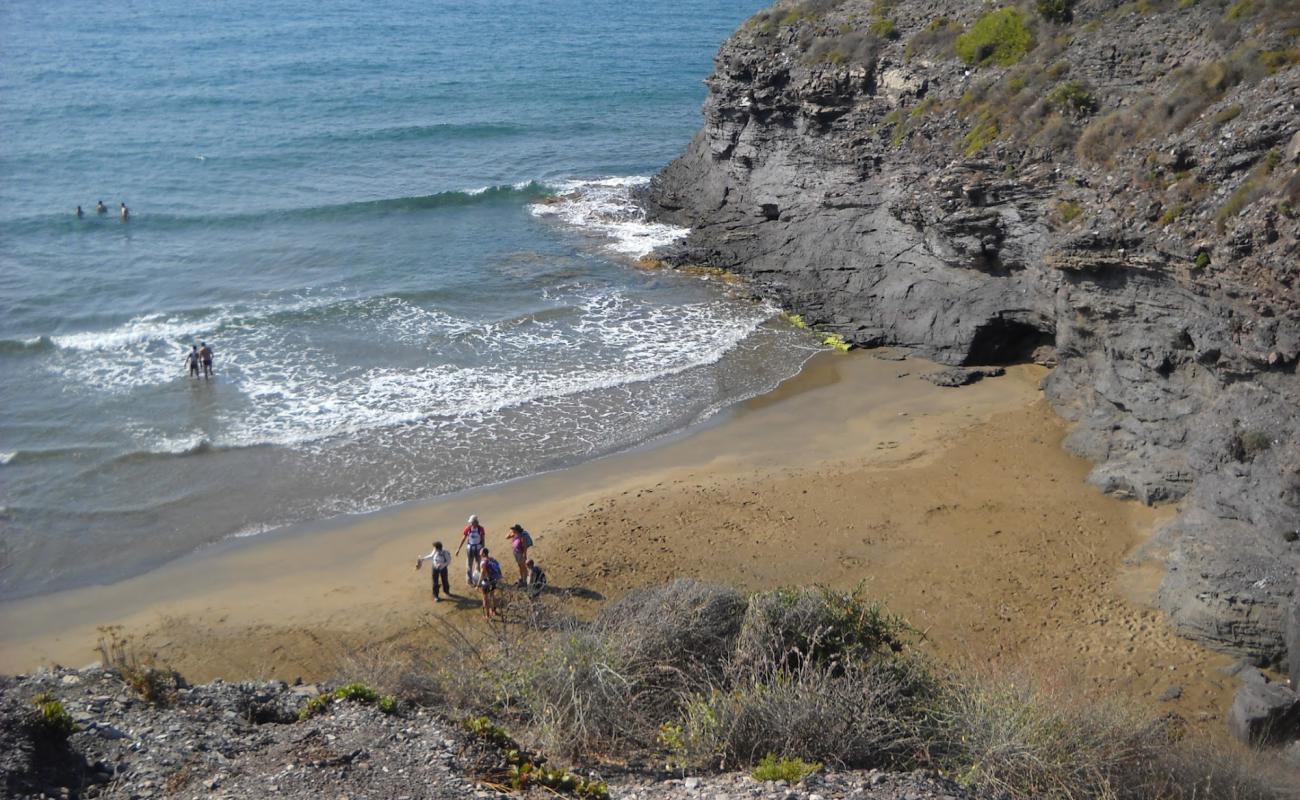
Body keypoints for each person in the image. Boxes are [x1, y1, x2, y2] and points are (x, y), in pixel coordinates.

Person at [455, 514, 486, 586]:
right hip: (470, 549)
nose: (471, 523)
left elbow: (483, 539)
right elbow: (463, 539)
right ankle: (469, 580)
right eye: (470, 522)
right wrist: (458, 549)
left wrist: (483, 549)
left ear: (476, 522)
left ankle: (476, 578)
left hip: (478, 549)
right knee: (469, 565)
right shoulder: (468, 529)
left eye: (472, 522)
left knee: (478, 564)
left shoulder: (481, 529)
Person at [478, 547, 501, 619]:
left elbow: (482, 573)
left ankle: (487, 615)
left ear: (483, 554)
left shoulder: (483, 562)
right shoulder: (493, 559)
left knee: (485, 598)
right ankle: (494, 611)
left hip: (486, 582)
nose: (479, 553)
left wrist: (478, 584)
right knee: (492, 595)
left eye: (481, 552)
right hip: (493, 580)